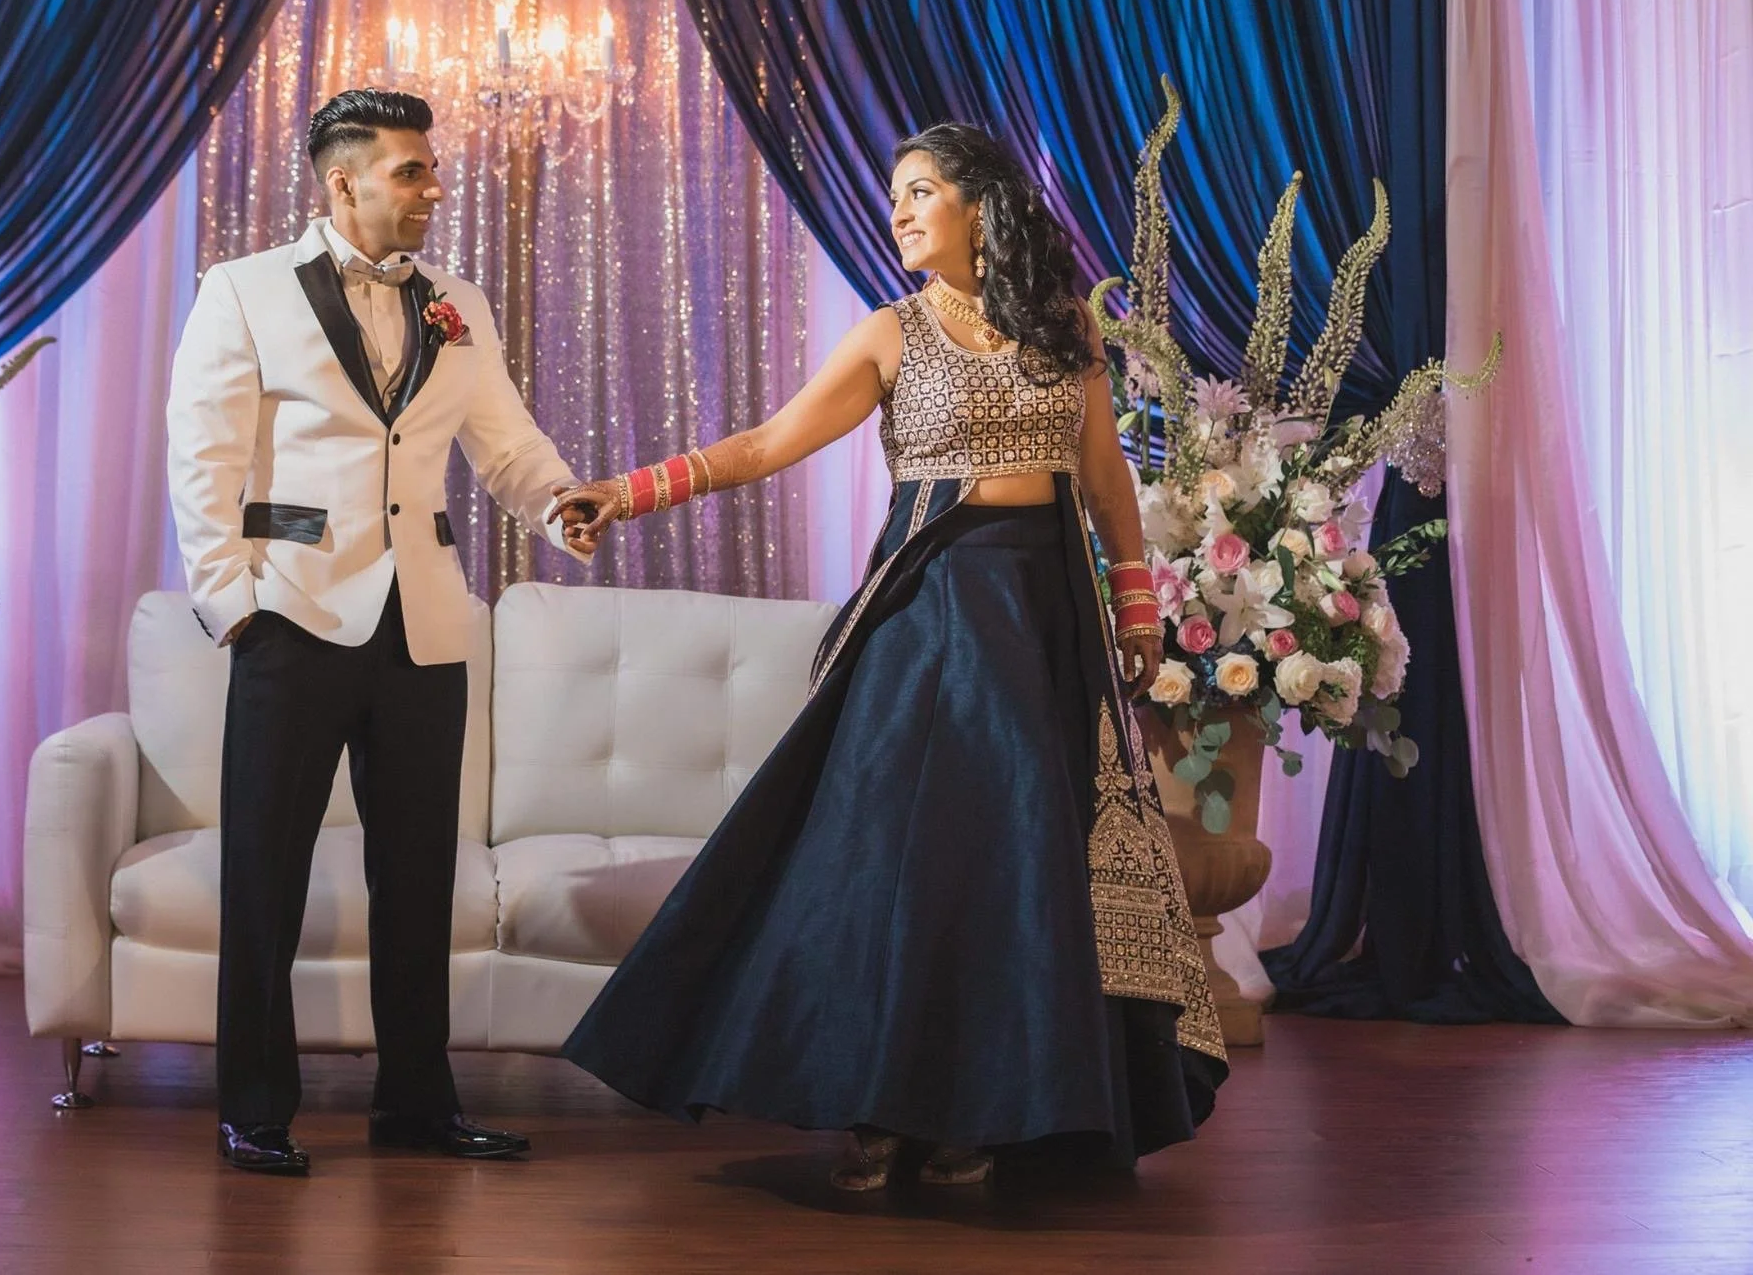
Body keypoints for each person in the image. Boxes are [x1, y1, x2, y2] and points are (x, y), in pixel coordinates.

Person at [554, 122, 1226, 1190]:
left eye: (919, 192)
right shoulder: (890, 334)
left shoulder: (1063, 333)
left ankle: (983, 1109)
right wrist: (624, 492)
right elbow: (765, 447)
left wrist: (1136, 618)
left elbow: (1105, 488)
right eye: (895, 196)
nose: (899, 212)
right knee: (918, 866)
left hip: (1045, 616)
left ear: (980, 207)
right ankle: (882, 1108)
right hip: (931, 617)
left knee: (1021, 870)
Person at [166, 88, 598, 1177]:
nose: (434, 188)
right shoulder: (242, 290)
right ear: (342, 179)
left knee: (417, 878)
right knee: (264, 873)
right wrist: (235, 607)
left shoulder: (459, 303)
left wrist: (561, 505)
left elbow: (506, 443)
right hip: (292, 620)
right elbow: (202, 458)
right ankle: (255, 1108)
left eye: (430, 169)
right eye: (411, 170)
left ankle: (417, 1104)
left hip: (424, 626)